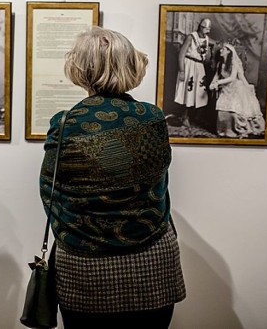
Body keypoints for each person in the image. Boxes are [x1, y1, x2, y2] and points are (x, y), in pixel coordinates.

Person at [39, 26, 186, 328]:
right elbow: (157, 185)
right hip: (152, 257)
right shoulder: (153, 117)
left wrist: (79, 232)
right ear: (130, 64)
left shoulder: (66, 124)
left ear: (78, 67)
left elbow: (50, 193)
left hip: (84, 264)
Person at [209, 39, 265, 137]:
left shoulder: (233, 63)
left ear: (228, 52)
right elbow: (217, 76)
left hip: (235, 87)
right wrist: (212, 83)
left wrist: (218, 83)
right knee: (222, 106)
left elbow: (232, 78)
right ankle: (224, 130)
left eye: (223, 50)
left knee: (235, 108)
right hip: (225, 88)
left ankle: (238, 128)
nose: (220, 51)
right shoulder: (220, 64)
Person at [174, 18, 212, 128]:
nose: (207, 30)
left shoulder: (207, 39)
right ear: (200, 27)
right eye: (205, 27)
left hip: (199, 66)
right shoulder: (191, 37)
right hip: (189, 65)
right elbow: (181, 54)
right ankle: (184, 117)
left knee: (200, 92)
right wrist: (182, 70)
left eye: (209, 28)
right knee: (188, 91)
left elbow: (207, 56)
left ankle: (197, 117)